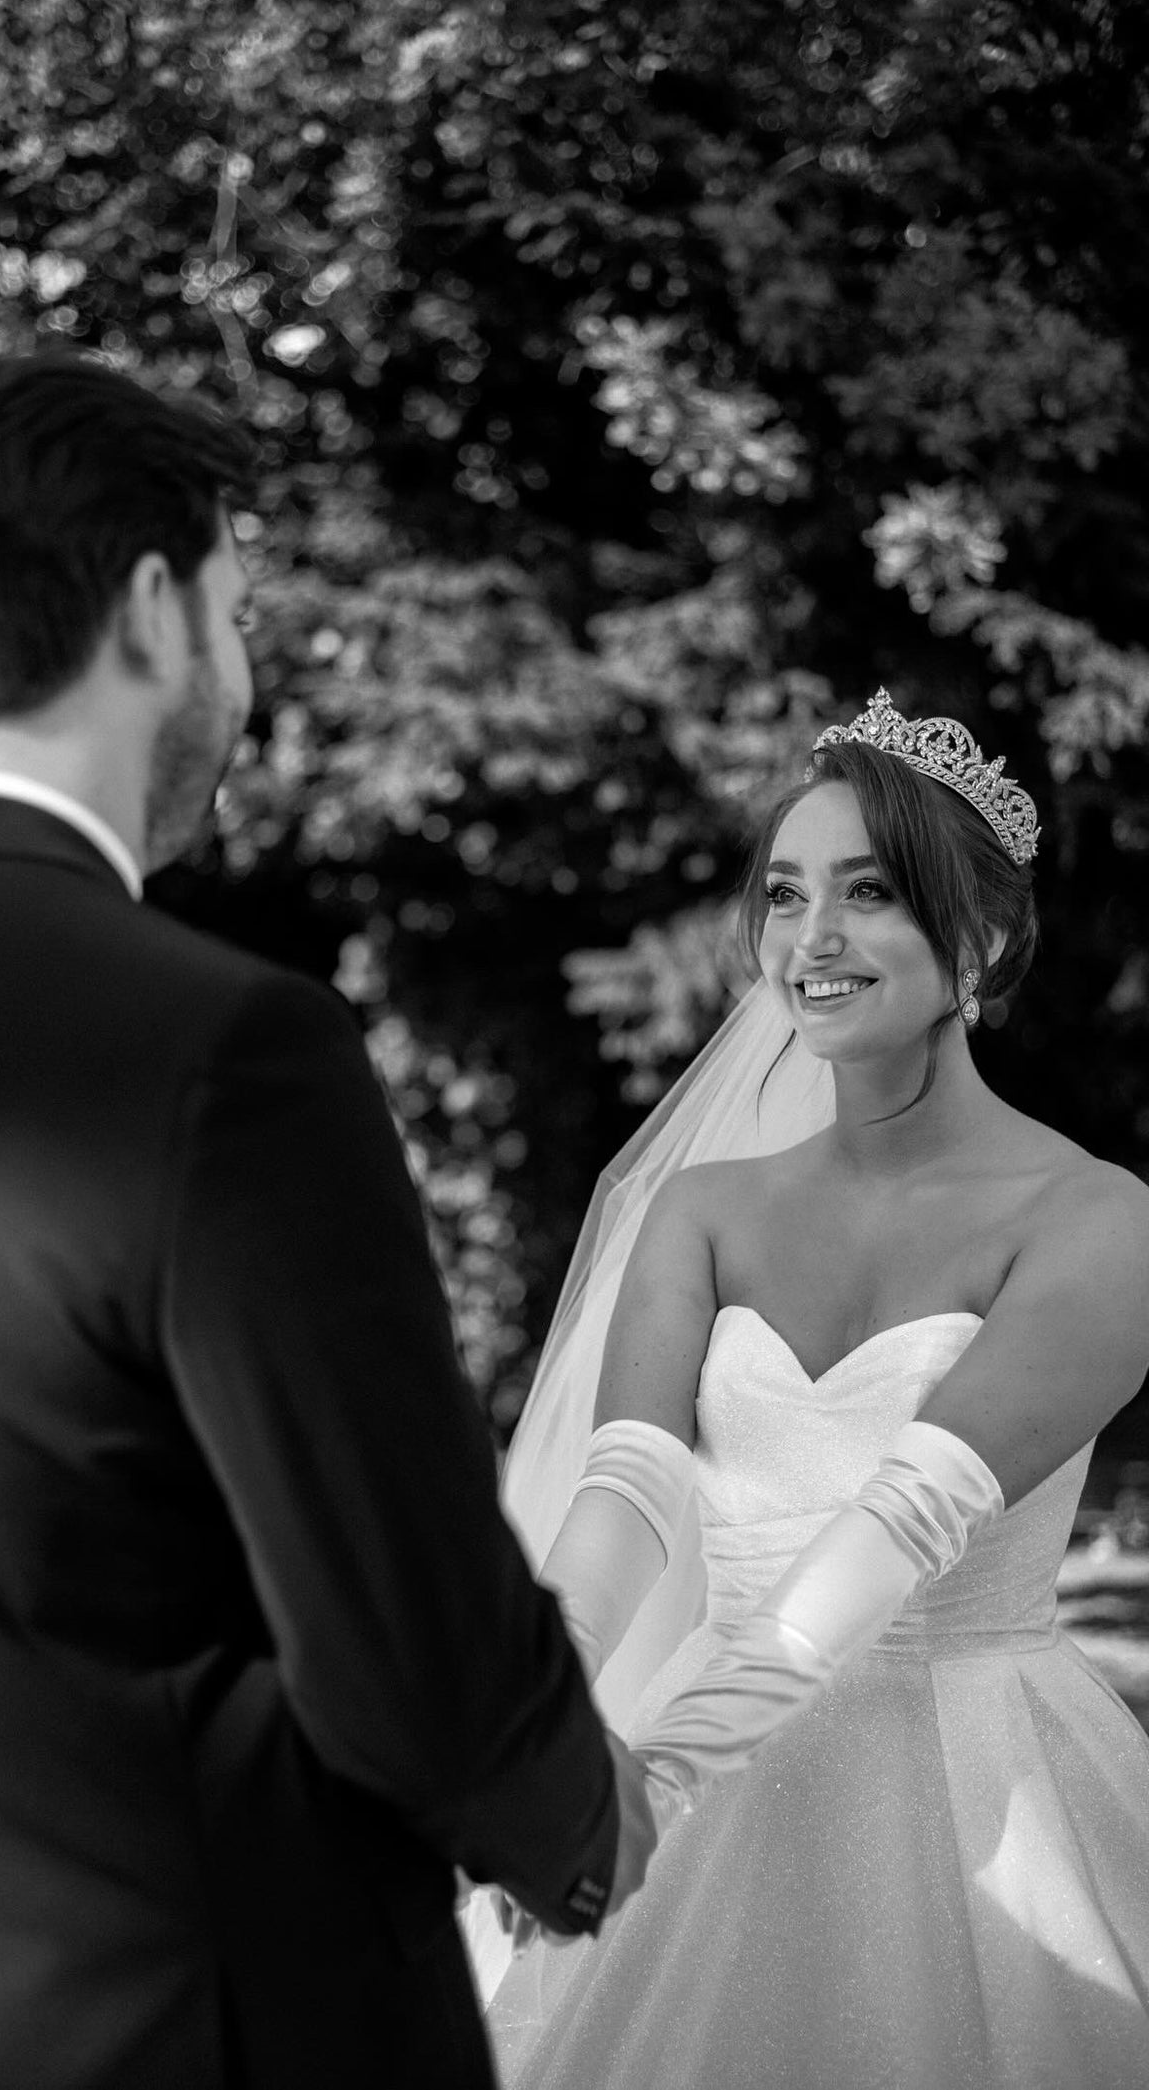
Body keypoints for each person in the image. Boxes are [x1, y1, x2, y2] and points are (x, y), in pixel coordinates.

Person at [0, 351, 658, 2090]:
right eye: (241, 617)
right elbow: (406, 1643)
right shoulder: (228, 1054)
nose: (244, 683)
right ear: (156, 609)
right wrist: (582, 1814)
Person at [478, 690, 1149, 2088]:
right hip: (720, 1789)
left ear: (982, 936)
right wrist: (537, 1735)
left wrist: (655, 1774)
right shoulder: (703, 1209)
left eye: (869, 894)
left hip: (980, 1784)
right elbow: (632, 1486)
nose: (812, 939)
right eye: (785, 896)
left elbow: (906, 1524)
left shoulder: (1100, 1218)